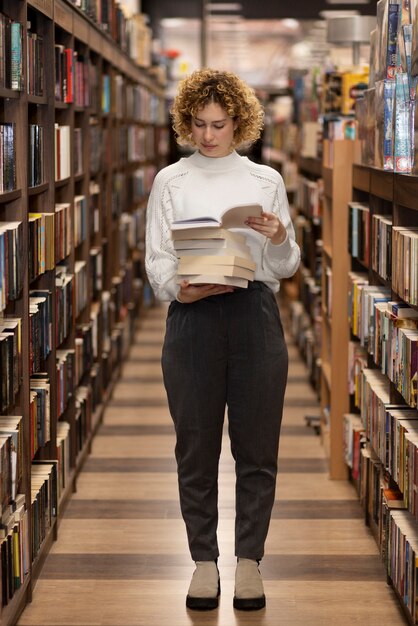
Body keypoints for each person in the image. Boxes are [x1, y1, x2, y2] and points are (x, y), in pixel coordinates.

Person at [145, 68, 300, 612]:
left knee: (257, 447)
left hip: (254, 313)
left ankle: (251, 561)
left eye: (220, 123)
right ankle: (204, 562)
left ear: (240, 122)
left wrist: (280, 237)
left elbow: (286, 265)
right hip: (192, 320)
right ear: (187, 122)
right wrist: (176, 290)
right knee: (196, 447)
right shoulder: (171, 180)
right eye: (200, 123)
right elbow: (157, 258)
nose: (209, 135)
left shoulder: (266, 181)